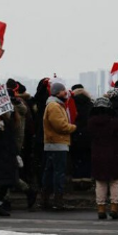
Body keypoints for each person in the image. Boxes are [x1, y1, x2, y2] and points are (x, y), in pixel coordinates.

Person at [89, 95, 118, 220]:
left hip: (97, 155)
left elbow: (86, 136)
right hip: (114, 154)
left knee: (100, 182)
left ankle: (101, 209)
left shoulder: (91, 122)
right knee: (115, 182)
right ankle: (114, 208)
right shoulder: (114, 121)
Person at [41, 80, 77, 211]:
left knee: (50, 173)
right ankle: (58, 201)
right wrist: (73, 128)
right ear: (57, 92)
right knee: (58, 173)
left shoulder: (54, 105)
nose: (65, 92)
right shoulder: (54, 106)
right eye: (63, 90)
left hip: (53, 144)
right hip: (57, 144)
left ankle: (46, 199)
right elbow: (60, 126)